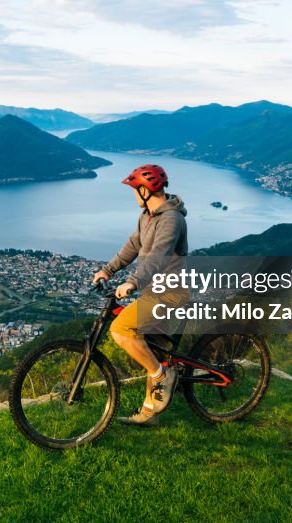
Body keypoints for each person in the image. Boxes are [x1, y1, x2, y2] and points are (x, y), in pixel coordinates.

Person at [93, 163, 189, 426]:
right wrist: (107, 271)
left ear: (146, 190)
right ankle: (150, 414)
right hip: (154, 291)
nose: (134, 194)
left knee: (122, 329)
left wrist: (133, 282)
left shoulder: (171, 219)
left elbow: (158, 257)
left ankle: (163, 378)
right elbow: (133, 246)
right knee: (155, 353)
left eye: (135, 189)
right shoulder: (147, 215)